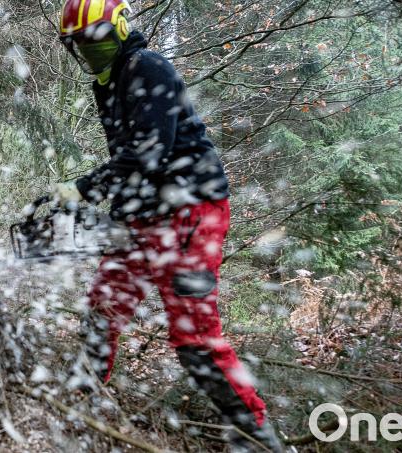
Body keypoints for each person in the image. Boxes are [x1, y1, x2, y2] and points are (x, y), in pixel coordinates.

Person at [52, 1, 284, 451]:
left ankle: (257, 438)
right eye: (82, 44)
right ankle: (80, 403)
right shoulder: (108, 84)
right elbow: (130, 163)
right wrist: (111, 219)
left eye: (98, 39)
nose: (92, 50)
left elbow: (150, 153)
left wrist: (84, 188)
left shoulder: (147, 67)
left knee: (194, 337)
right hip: (144, 214)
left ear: (120, 30)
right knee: (103, 307)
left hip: (191, 209)